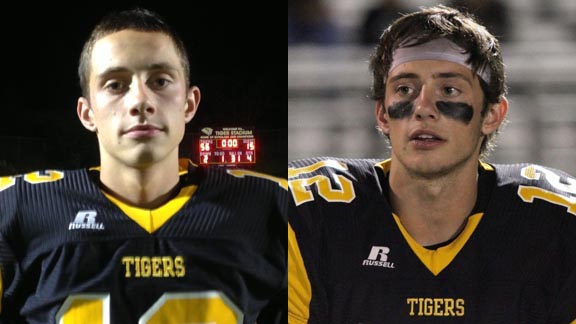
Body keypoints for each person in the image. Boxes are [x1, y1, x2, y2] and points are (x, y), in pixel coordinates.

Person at [288, 5, 576, 323]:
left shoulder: (556, 226)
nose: (423, 108)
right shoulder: (308, 217)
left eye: (449, 90)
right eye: (405, 89)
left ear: (492, 114)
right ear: (382, 114)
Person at [0, 8, 287, 323]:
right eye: (115, 85)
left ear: (189, 104)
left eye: (160, 81)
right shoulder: (18, 210)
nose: (140, 100)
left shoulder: (270, 208)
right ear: (87, 113)